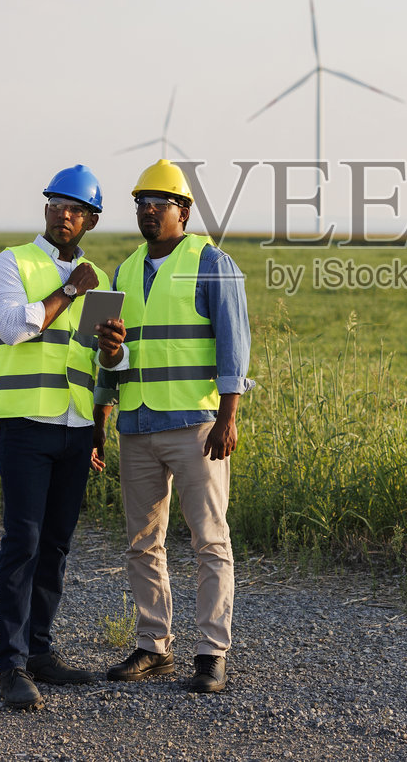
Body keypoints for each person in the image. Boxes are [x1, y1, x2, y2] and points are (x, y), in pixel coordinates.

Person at [94, 159, 251, 694]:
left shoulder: (211, 263)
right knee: (142, 542)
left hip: (195, 426)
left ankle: (211, 652)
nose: (147, 210)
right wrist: (109, 375)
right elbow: (113, 358)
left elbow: (235, 346)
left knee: (210, 540)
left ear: (182, 210)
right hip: (137, 425)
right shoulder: (124, 270)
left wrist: (228, 416)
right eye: (140, 202)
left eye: (158, 202)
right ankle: (153, 646)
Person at [0, 165, 128, 711]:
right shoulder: (12, 262)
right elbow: (14, 327)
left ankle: (41, 652)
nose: (63, 215)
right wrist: (69, 289)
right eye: (55, 204)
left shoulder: (100, 278)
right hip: (24, 429)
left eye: (75, 209)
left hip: (74, 434)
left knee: (57, 546)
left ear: (90, 220)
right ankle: (12, 665)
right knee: (22, 543)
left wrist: (115, 353)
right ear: (46, 209)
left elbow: (104, 362)